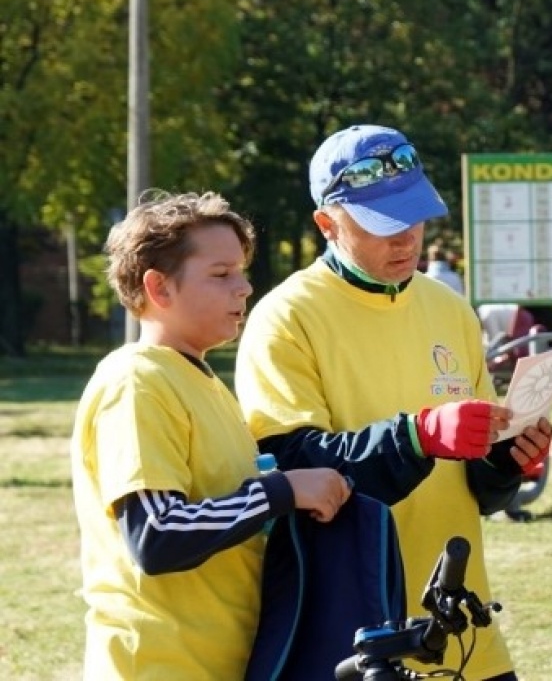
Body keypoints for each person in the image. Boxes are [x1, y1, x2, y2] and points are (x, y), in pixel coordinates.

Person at [234, 124, 551, 681]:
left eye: (415, 216)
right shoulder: (286, 318)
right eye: (382, 224)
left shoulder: (450, 309)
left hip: (463, 625)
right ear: (327, 224)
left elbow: (475, 488)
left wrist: (505, 462)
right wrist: (418, 437)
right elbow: (296, 467)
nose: (406, 239)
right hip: (357, 634)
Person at [69, 191, 352, 680]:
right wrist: (282, 492)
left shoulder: (201, 383)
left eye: (241, 271)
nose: (244, 288)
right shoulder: (137, 382)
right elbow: (156, 534)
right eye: (221, 275)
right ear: (159, 288)